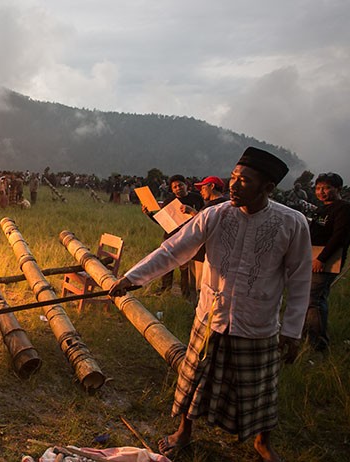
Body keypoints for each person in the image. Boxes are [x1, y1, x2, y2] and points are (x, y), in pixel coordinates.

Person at [110, 147, 312, 462]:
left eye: (244, 181)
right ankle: (184, 431)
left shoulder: (292, 222)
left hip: (256, 322)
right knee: (194, 379)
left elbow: (300, 280)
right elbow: (173, 250)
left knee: (258, 390)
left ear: (268, 188)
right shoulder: (215, 215)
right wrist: (132, 278)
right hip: (211, 316)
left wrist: (292, 330)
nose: (233, 185)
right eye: (233, 177)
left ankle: (262, 442)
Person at [305, 172, 350, 351]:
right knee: (309, 298)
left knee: (315, 299)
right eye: (319, 188)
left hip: (327, 260)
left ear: (338, 189)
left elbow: (339, 237)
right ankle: (309, 335)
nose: (322, 192)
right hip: (313, 257)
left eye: (327, 188)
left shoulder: (344, 208)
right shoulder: (322, 209)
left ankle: (318, 343)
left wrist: (322, 259)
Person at [142, 174, 203, 299]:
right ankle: (165, 290)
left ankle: (186, 295)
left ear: (186, 185)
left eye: (180, 185)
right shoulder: (169, 201)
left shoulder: (196, 198)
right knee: (167, 265)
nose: (178, 188)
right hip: (171, 237)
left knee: (185, 268)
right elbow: (163, 222)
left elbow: (203, 217)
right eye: (174, 187)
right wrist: (149, 214)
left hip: (188, 238)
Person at [181, 176, 229, 296]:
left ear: (212, 186)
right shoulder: (215, 205)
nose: (201, 191)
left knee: (201, 288)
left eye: (203, 188)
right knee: (195, 286)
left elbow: (206, 225)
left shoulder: (218, 206)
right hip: (198, 252)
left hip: (205, 254)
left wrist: (191, 211)